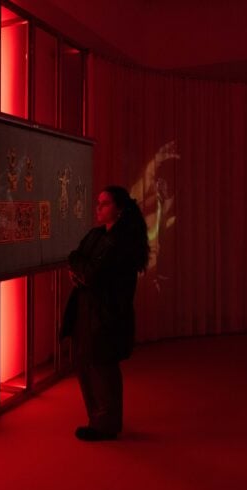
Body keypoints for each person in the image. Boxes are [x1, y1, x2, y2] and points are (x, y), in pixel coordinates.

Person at [60, 185, 149, 441]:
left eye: (105, 203)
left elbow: (93, 272)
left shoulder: (123, 242)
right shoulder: (96, 235)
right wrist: (82, 271)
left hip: (107, 313)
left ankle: (106, 423)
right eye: (99, 203)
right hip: (86, 309)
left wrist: (83, 271)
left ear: (119, 209)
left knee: (101, 365)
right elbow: (76, 257)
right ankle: (98, 419)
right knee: (85, 362)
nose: (98, 208)